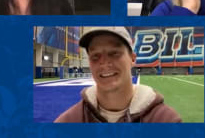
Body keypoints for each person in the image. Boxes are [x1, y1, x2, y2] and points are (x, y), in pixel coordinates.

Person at [54, 27, 182, 123]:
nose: (103, 63)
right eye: (95, 56)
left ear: (132, 59)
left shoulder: (165, 120)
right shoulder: (70, 121)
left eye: (114, 53)